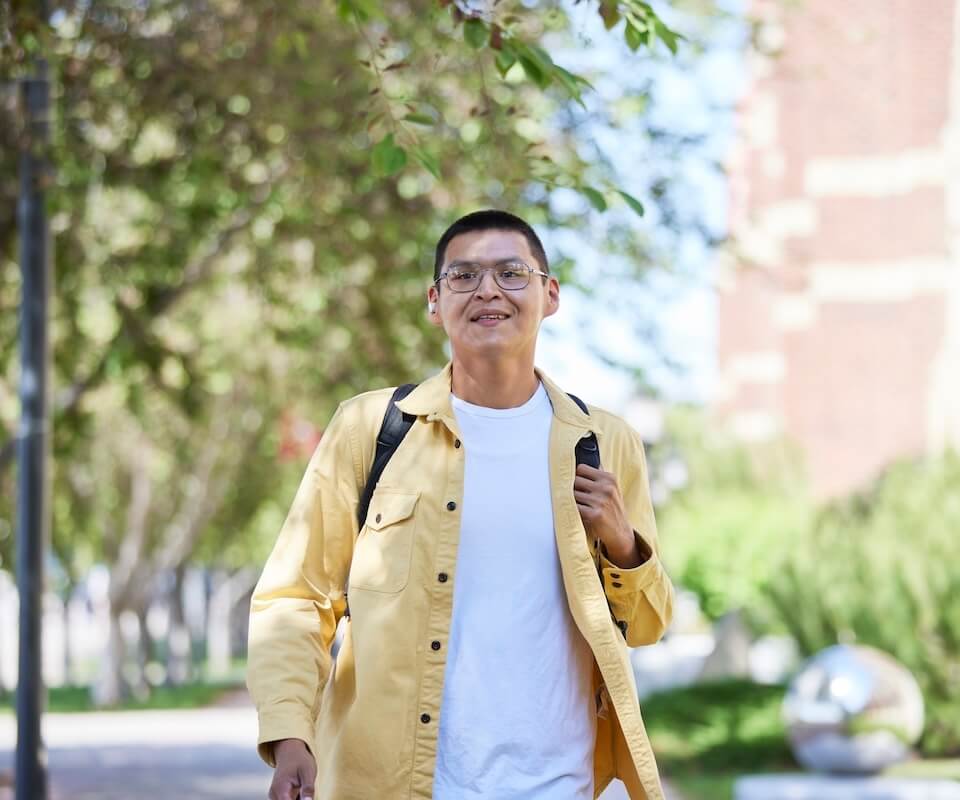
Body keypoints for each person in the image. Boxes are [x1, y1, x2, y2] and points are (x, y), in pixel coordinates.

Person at [246, 209, 675, 800]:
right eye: (465, 276)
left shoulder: (603, 443)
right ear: (434, 300)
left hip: (556, 784)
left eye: (511, 273)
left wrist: (624, 543)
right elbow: (296, 598)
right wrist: (291, 735)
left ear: (549, 295)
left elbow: (647, 625)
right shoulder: (371, 429)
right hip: (398, 784)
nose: (488, 290)